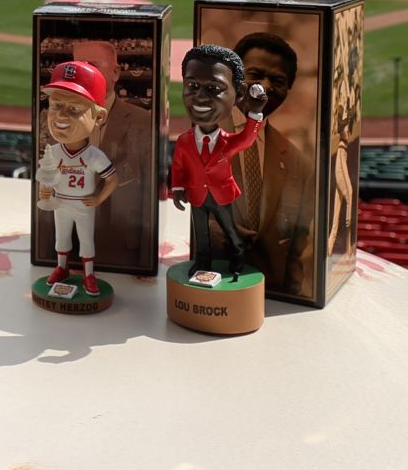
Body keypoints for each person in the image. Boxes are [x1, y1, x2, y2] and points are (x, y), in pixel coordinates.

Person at [226, 32, 317, 299]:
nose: (264, 87)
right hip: (210, 286)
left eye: (277, 80)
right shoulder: (202, 135)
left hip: (271, 297)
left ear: (288, 89)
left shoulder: (298, 164)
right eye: (255, 74)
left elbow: (296, 250)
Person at [170, 44, 268, 278]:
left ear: (239, 95)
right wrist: (177, 188)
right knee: (200, 234)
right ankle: (202, 262)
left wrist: (255, 113)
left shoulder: (225, 141)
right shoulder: (185, 141)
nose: (200, 96)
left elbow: (246, 139)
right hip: (196, 195)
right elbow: (178, 167)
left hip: (221, 195)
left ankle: (237, 256)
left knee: (229, 230)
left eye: (214, 88)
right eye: (192, 86)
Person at [35, 60, 119, 297]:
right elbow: (46, 175)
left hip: (83, 203)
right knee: (61, 240)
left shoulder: (93, 155)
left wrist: (98, 198)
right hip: (60, 202)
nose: (61, 115)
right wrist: (44, 189)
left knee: (86, 242)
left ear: (99, 118)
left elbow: (113, 180)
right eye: (56, 105)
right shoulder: (54, 152)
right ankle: (61, 269)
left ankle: (89, 274)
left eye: (74, 109)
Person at [70, 38, 152, 266]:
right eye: (78, 67)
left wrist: (147, 259)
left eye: (92, 65)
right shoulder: (59, 118)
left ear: (115, 73)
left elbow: (148, 190)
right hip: (70, 244)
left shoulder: (142, 121)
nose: (84, 73)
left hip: (120, 245)